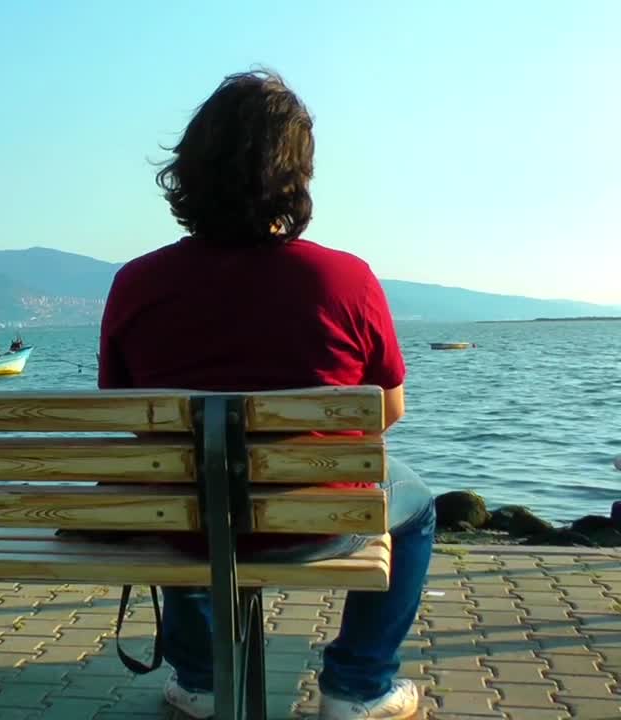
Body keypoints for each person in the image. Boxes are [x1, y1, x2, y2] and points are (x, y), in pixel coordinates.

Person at [98, 70, 435, 720]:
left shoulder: (137, 284)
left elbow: (137, 426)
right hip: (310, 522)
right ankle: (357, 688)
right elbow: (386, 414)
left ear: (191, 167)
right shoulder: (345, 279)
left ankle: (201, 681)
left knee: (182, 489)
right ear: (295, 174)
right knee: (416, 508)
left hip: (187, 523)